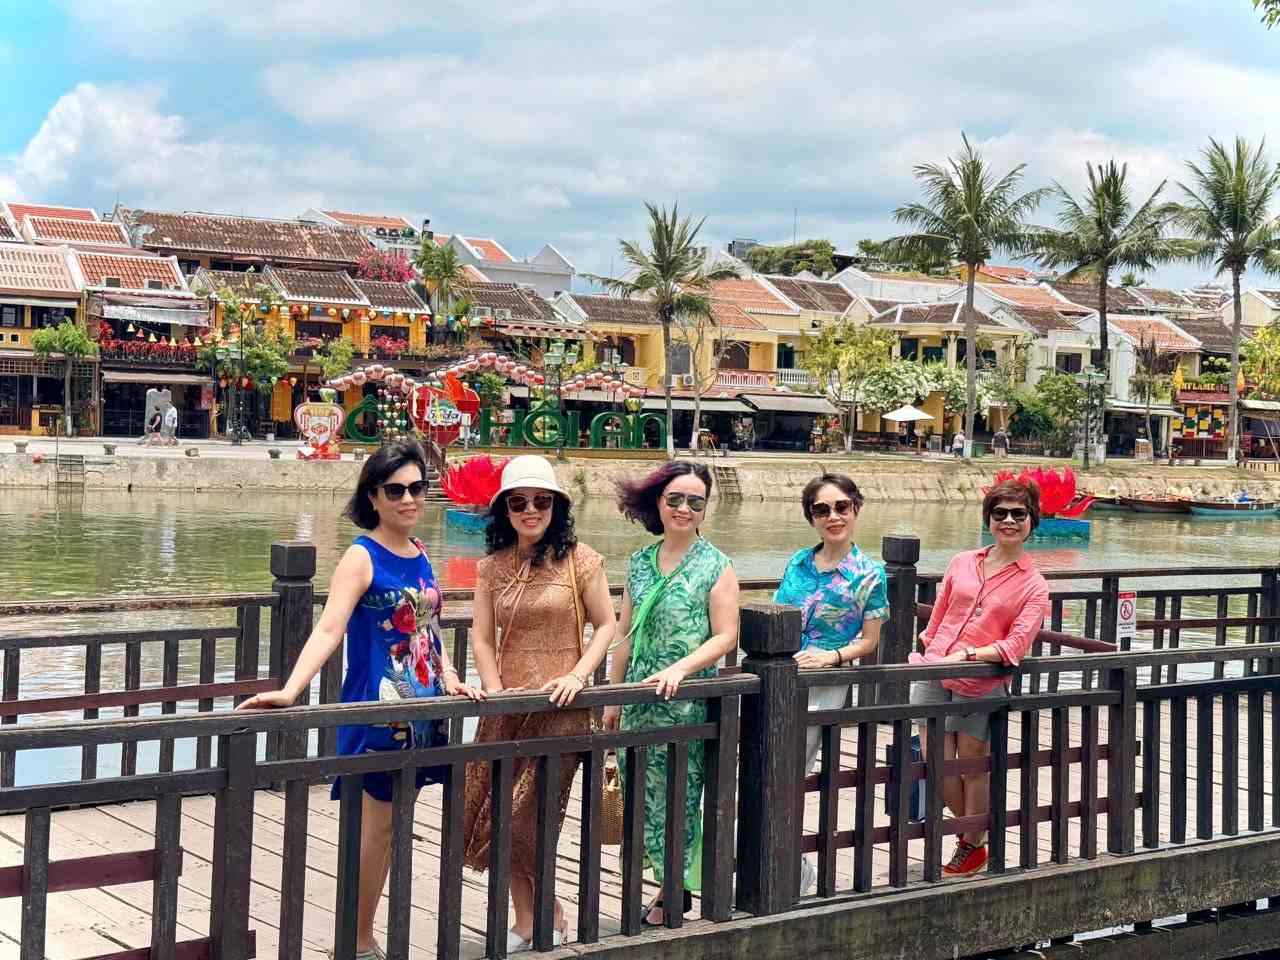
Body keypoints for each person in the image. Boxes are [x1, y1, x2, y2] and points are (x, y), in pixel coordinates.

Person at [239, 440, 479, 960]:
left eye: (417, 488)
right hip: (378, 710)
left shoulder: (417, 553)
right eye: (396, 490)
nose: (409, 499)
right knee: (375, 830)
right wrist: (290, 690)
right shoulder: (361, 555)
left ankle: (361, 931)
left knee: (393, 827)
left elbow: (429, 632)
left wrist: (453, 675)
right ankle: (357, 937)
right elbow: (329, 629)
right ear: (373, 496)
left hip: (423, 708)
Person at [461, 455, 617, 953]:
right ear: (504, 510)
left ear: (557, 506)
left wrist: (578, 673)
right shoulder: (491, 569)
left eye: (541, 501)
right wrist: (491, 688)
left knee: (532, 818)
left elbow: (607, 625)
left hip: (562, 709)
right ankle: (532, 917)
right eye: (519, 502)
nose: (531, 511)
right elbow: (483, 640)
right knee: (498, 818)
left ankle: (541, 914)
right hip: (505, 710)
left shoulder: (581, 561)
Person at [602, 461, 740, 926]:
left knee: (680, 795)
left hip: (683, 703)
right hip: (639, 698)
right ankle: (666, 885)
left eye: (695, 502)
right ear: (658, 503)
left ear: (704, 510)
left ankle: (673, 891)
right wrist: (615, 695)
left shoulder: (716, 566)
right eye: (675, 499)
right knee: (641, 794)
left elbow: (725, 636)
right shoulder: (640, 562)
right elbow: (624, 630)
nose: (684, 508)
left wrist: (680, 669)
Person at [909, 477, 1050, 877]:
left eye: (1018, 514)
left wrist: (971, 654)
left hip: (980, 679)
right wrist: (932, 649)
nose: (1008, 521)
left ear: (1032, 521)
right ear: (989, 518)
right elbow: (938, 614)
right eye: (1000, 513)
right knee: (932, 759)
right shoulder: (961, 562)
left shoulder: (1034, 586)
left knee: (972, 766)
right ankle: (979, 833)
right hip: (936, 667)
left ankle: (969, 845)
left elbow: (1015, 646)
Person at [773, 473, 887, 893]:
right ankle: (773, 859)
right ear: (811, 517)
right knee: (765, 764)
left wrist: (831, 657)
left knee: (792, 770)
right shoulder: (798, 563)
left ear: (855, 509)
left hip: (825, 679)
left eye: (841, 507)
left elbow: (870, 641)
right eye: (822, 509)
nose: (833, 516)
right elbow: (780, 613)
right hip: (782, 674)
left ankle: (793, 868)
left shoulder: (869, 573)